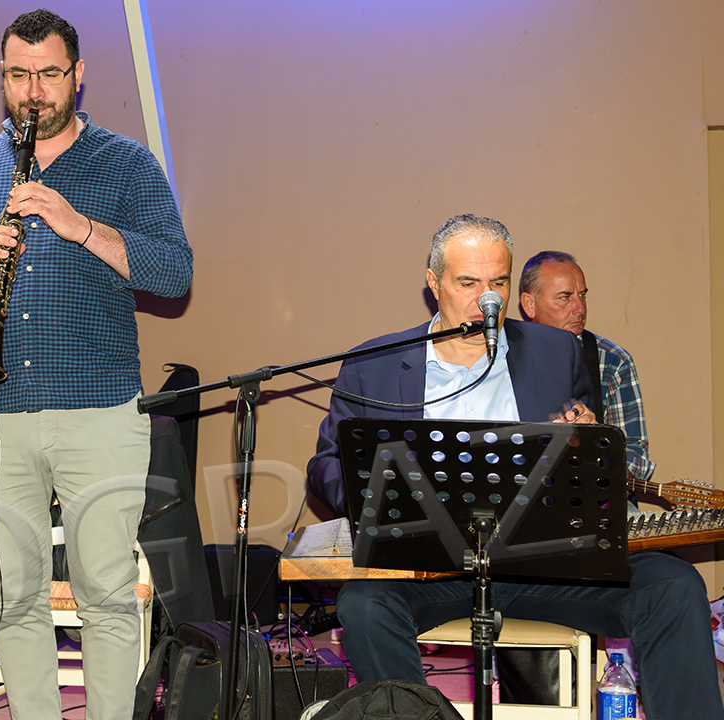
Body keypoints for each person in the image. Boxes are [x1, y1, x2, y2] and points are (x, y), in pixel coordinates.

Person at [305, 214, 723, 719]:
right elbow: (326, 465)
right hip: (429, 569)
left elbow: (593, 473)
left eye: (498, 282)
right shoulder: (373, 363)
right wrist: (375, 492)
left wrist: (588, 445)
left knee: (673, 585)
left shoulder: (557, 351)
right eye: (468, 283)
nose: (487, 298)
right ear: (434, 282)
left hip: (545, 564)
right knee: (364, 605)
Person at [0, 9, 192, 719]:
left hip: (100, 410)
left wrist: (79, 226)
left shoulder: (128, 163)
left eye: (49, 74)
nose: (33, 91)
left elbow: (174, 272)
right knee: (14, 597)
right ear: (2, 76)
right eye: (18, 75)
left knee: (107, 594)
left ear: (78, 74)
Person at [520, 250, 654, 482]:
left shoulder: (611, 361)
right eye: (565, 297)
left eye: (582, 296)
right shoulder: (501, 358)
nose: (580, 308)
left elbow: (634, 456)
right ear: (529, 304)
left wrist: (595, 447)